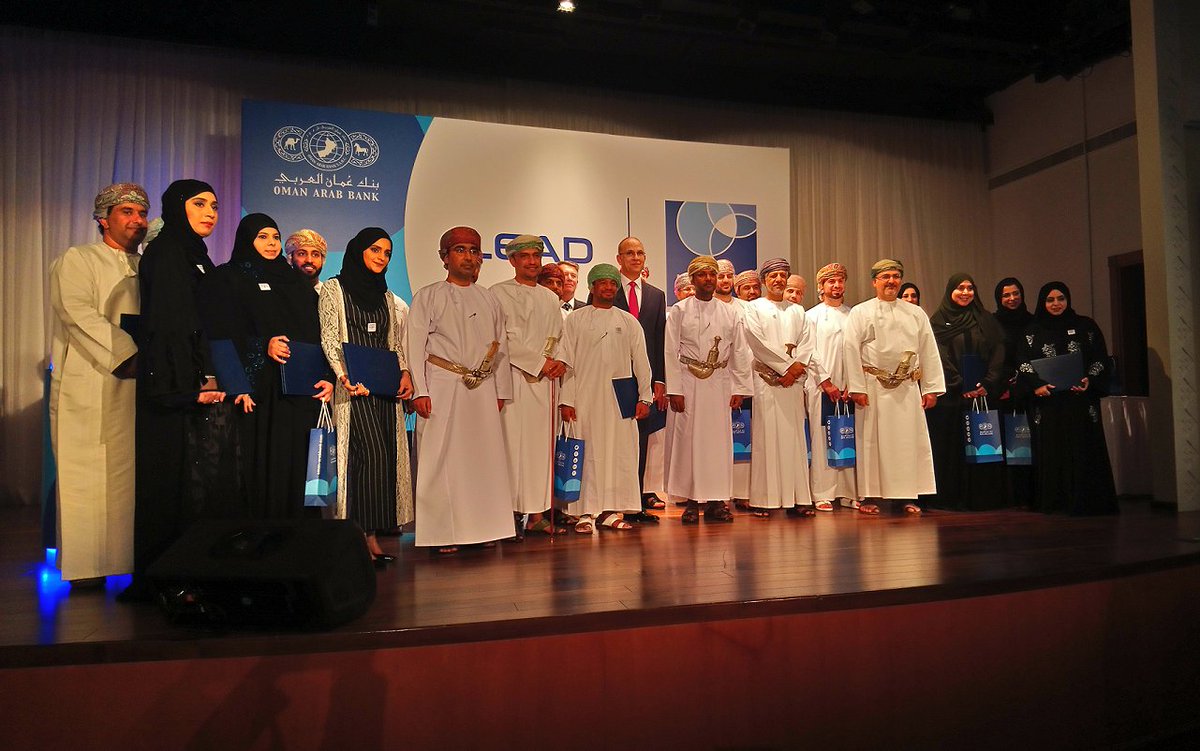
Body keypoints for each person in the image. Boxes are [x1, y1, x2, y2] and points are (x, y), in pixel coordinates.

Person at [128, 179, 233, 600]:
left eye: (214, 204)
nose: (210, 211)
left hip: (189, 383)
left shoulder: (195, 254)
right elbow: (170, 326)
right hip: (172, 390)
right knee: (167, 484)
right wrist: (193, 384)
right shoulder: (168, 252)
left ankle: (188, 573)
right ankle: (165, 580)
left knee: (193, 487)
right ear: (177, 207)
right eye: (199, 203)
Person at [202, 214, 334, 521]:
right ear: (247, 239)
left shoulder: (294, 283)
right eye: (263, 237)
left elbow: (319, 335)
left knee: (300, 463)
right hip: (258, 391)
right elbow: (220, 333)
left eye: (275, 237)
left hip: (300, 392)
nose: (271, 243)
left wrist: (328, 378)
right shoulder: (228, 277)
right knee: (262, 463)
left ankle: (301, 537)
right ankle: (264, 536)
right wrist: (255, 359)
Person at [48, 183, 147, 585]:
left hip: (142, 383)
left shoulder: (148, 265)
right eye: (127, 212)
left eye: (141, 214)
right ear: (103, 218)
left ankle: (130, 559)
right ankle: (88, 568)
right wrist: (127, 353)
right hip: (93, 379)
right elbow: (77, 312)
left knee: (133, 476)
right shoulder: (78, 259)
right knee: (88, 473)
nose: (137, 221)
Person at [408, 227, 517, 553]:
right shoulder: (429, 296)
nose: (468, 256)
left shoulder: (489, 297)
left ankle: (482, 529)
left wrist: (500, 389)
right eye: (460, 249)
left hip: (481, 389)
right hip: (442, 385)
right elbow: (414, 345)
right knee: (442, 459)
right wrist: (420, 390)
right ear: (444, 257)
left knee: (483, 460)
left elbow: (502, 347)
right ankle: (444, 533)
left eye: (474, 250)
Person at [318, 228, 414, 564]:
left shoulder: (387, 297)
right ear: (359, 250)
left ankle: (371, 538)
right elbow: (329, 337)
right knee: (361, 461)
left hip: (383, 391)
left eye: (387, 253)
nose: (381, 257)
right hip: (352, 390)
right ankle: (356, 539)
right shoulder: (334, 289)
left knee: (383, 461)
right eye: (375, 250)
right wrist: (343, 375)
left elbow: (394, 344)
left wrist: (404, 373)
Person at [844, 259, 945, 515]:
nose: (891, 281)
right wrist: (857, 387)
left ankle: (905, 496)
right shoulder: (861, 311)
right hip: (873, 386)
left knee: (906, 443)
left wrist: (931, 387)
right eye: (886, 276)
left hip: (907, 389)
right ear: (874, 281)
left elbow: (929, 350)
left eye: (896, 276)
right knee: (871, 441)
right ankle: (870, 496)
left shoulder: (915, 313)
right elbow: (850, 349)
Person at [558, 263, 653, 533]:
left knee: (620, 453)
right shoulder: (576, 319)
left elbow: (642, 363)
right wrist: (567, 400)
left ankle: (612, 511)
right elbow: (567, 362)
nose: (609, 287)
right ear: (592, 287)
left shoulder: (628, 321)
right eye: (603, 282)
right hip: (584, 397)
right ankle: (585, 513)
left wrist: (645, 398)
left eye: (612, 282)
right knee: (588, 455)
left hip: (620, 398)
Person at [742, 258, 836, 518]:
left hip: (793, 384)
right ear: (764, 280)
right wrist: (785, 367)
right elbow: (757, 342)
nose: (778, 280)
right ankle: (764, 500)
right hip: (766, 383)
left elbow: (807, 343)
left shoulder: (797, 311)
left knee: (795, 439)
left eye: (783, 275)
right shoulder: (754, 308)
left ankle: (798, 498)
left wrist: (795, 368)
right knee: (766, 440)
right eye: (773, 275)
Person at [1015, 282, 1118, 515]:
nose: (1056, 304)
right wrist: (1037, 386)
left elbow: (1100, 358)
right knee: (1052, 451)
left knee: (1083, 449)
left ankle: (1087, 502)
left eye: (1060, 299)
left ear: (1068, 299)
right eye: (1050, 300)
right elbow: (1022, 362)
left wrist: (1089, 379)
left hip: (1079, 402)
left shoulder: (1086, 326)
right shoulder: (1032, 331)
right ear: (1043, 302)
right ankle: (1054, 502)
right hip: (1048, 404)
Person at [665, 255, 754, 523]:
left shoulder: (731, 312)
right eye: (702, 275)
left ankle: (717, 502)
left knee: (718, 444)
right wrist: (674, 389)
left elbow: (739, 350)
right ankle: (691, 501)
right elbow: (670, 351)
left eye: (711, 275)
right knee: (688, 442)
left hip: (720, 383)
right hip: (689, 383)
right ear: (692, 280)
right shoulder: (679, 311)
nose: (708, 279)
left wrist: (740, 386)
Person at [491, 235, 567, 538]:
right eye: (525, 256)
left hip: (545, 385)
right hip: (513, 381)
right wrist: (539, 362)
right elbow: (502, 339)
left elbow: (560, 337)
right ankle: (507, 516)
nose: (532, 261)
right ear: (512, 260)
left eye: (537, 255)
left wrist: (558, 361)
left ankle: (537, 515)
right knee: (511, 449)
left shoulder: (550, 297)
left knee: (540, 451)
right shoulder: (498, 293)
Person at [922, 273, 1007, 511]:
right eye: (960, 288)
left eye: (970, 288)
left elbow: (998, 352)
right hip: (952, 398)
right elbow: (936, 355)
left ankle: (984, 498)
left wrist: (987, 383)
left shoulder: (986, 319)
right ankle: (950, 498)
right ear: (950, 291)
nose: (966, 292)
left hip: (983, 396)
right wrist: (960, 383)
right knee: (952, 449)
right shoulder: (938, 322)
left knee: (984, 447)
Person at [612, 236, 668, 521]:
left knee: (642, 440)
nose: (636, 257)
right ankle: (611, 504)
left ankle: (636, 504)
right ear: (619, 258)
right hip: (615, 376)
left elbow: (659, 339)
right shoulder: (607, 289)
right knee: (617, 441)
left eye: (640, 253)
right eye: (629, 253)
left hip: (645, 378)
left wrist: (659, 380)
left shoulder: (656, 295)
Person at [805, 263, 859, 510]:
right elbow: (810, 352)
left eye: (840, 281)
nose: (836, 286)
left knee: (848, 434)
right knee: (822, 437)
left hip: (848, 387)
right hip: (821, 387)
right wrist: (825, 381)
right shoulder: (812, 316)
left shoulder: (853, 315)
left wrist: (851, 382)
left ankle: (849, 492)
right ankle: (822, 493)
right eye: (831, 282)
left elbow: (857, 352)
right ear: (821, 286)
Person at [993, 276, 1034, 506]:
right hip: (1004, 391)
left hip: (1031, 391)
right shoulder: (992, 323)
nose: (1012, 299)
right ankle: (1007, 496)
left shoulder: (1034, 321)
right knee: (1006, 443)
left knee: (1028, 445)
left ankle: (1029, 494)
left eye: (1016, 294)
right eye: (1006, 295)